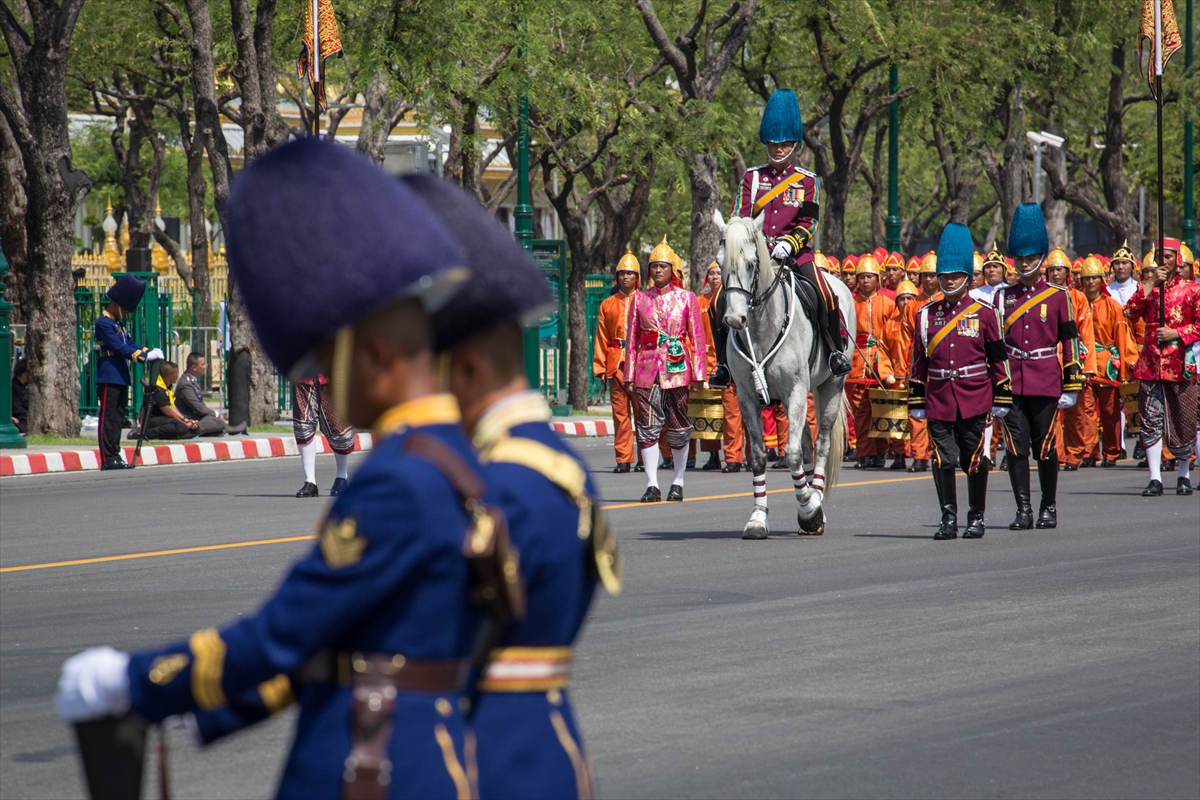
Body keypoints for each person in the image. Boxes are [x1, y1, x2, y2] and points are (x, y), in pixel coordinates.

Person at [54, 138, 508, 800]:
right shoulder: (454, 460)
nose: (319, 368)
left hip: (372, 766)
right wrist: (206, 705)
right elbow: (327, 646)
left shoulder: (398, 483)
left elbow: (282, 634)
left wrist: (135, 681)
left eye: (330, 351)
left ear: (377, 353)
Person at [408, 173, 618, 798]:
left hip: (492, 758)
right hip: (551, 748)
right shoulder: (560, 465)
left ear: (465, 366)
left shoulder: (502, 484)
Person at [730, 88, 851, 376]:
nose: (778, 149)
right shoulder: (752, 177)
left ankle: (834, 352)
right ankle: (724, 365)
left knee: (826, 296)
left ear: (795, 144)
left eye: (784, 144)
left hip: (794, 256)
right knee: (721, 296)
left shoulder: (806, 181)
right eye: (772, 144)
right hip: (755, 257)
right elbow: (739, 216)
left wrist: (790, 243)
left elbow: (810, 222)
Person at [909, 223, 1013, 539]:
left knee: (974, 459)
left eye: (956, 275)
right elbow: (918, 361)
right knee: (942, 458)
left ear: (968, 277)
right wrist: (916, 399)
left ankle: (976, 517)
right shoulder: (927, 315)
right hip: (939, 396)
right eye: (945, 275)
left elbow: (998, 358)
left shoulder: (984, 313)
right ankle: (948, 518)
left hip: (974, 395)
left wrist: (1002, 395)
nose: (949, 280)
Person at [994, 203, 1085, 529]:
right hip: (1012, 383)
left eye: (1031, 258)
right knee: (1016, 449)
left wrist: (1072, 384)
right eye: (1020, 258)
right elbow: (993, 345)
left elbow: (1070, 341)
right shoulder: (1002, 298)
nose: (1025, 263)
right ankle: (1023, 509)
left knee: (1045, 448)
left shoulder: (1058, 296)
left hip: (1046, 379)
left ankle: (1049, 506)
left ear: (1042, 259)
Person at [625, 237, 706, 502]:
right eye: (654, 266)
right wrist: (628, 376)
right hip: (646, 371)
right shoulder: (638, 299)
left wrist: (699, 375)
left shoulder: (687, 298)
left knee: (679, 425)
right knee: (646, 426)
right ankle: (652, 484)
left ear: (673, 270)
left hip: (677, 370)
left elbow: (698, 339)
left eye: (663, 266)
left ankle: (678, 482)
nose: (658, 270)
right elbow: (631, 340)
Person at [1124, 236, 1200, 496]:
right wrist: (1148, 284)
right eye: (1160, 257)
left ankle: (1183, 475)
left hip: (1180, 363)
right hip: (1150, 364)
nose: (1164, 261)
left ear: (1178, 260)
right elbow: (1129, 313)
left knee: (1183, 419)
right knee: (1150, 419)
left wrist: (1176, 334)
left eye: (1168, 257)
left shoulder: (1193, 290)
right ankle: (1155, 478)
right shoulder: (1149, 288)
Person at [95, 274, 164, 469]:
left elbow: (130, 343)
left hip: (120, 375)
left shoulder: (118, 324)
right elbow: (119, 347)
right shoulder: (104, 323)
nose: (126, 313)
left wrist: (148, 351)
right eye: (124, 308)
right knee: (108, 418)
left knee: (118, 418)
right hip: (109, 373)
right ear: (117, 304)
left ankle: (115, 454)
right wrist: (143, 357)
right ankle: (107, 458)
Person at [1079, 256, 1139, 467]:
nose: (1090, 282)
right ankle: (1089, 452)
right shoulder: (1077, 302)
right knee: (1085, 411)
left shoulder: (1112, 306)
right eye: (1086, 278)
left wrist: (1125, 366)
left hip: (1106, 365)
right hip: (1083, 362)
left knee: (1109, 411)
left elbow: (1122, 337)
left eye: (1094, 278)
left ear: (1101, 279)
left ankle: (1111, 452)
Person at [1044, 248, 1098, 470]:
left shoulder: (1078, 298)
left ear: (1067, 272)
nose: (1055, 274)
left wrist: (1087, 366)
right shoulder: (1043, 296)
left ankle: (1075, 454)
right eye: (1052, 270)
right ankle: (1056, 454)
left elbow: (1087, 333)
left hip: (1073, 357)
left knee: (1076, 411)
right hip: (1048, 359)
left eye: (1059, 270)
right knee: (1050, 412)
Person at [593, 250, 641, 473]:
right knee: (620, 415)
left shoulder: (646, 301)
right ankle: (623, 458)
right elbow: (601, 338)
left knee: (643, 415)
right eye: (622, 273)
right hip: (615, 365)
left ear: (637, 276)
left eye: (630, 273)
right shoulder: (607, 304)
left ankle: (644, 457)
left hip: (641, 366)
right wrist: (600, 368)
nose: (626, 277)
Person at [848, 253, 896, 469]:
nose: (866, 280)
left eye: (870, 276)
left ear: (878, 278)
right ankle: (864, 454)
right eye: (862, 277)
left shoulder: (888, 303)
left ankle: (881, 452)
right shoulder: (850, 302)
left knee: (882, 409)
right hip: (857, 362)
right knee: (861, 411)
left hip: (881, 362)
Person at [699, 261, 745, 472]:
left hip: (747, 358)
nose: (716, 276)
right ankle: (731, 457)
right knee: (723, 414)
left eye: (719, 273)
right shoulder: (708, 300)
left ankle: (755, 456)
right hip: (721, 358)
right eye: (713, 273)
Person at [174, 352, 247, 436]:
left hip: (196, 416)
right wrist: (215, 413)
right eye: (203, 364)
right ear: (194, 367)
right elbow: (198, 407)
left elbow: (200, 405)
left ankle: (219, 430)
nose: (205, 366)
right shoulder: (186, 384)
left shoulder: (192, 380)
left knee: (215, 421)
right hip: (188, 418)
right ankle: (191, 431)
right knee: (216, 421)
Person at [139, 361, 197, 440]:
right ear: (169, 376)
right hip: (152, 421)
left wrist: (185, 420)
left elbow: (172, 407)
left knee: (196, 429)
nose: (177, 376)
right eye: (176, 374)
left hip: (165, 420)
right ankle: (146, 434)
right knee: (181, 427)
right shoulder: (159, 390)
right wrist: (184, 423)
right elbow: (168, 411)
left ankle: (175, 435)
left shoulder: (167, 388)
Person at [10, 356, 27, 435]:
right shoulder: (14, 387)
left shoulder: (24, 387)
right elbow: (17, 408)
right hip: (19, 419)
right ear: (23, 374)